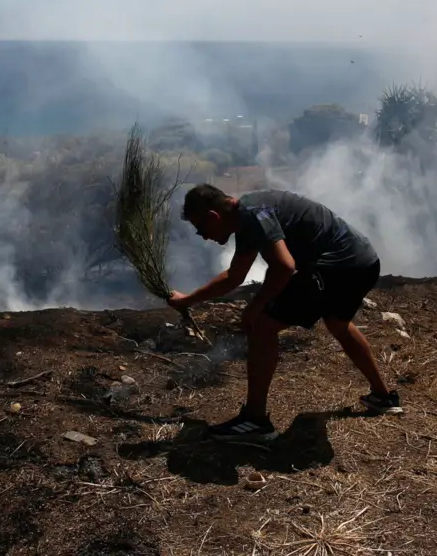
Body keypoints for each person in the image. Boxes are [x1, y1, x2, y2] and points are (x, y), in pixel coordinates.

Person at [168, 183, 401, 442]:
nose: (203, 237)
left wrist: (255, 307)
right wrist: (188, 300)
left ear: (214, 217)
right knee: (338, 323)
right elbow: (234, 276)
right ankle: (383, 397)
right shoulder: (246, 216)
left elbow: (284, 266)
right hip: (363, 261)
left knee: (262, 325)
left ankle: (255, 420)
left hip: (337, 267)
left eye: (201, 229)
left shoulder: (252, 215)